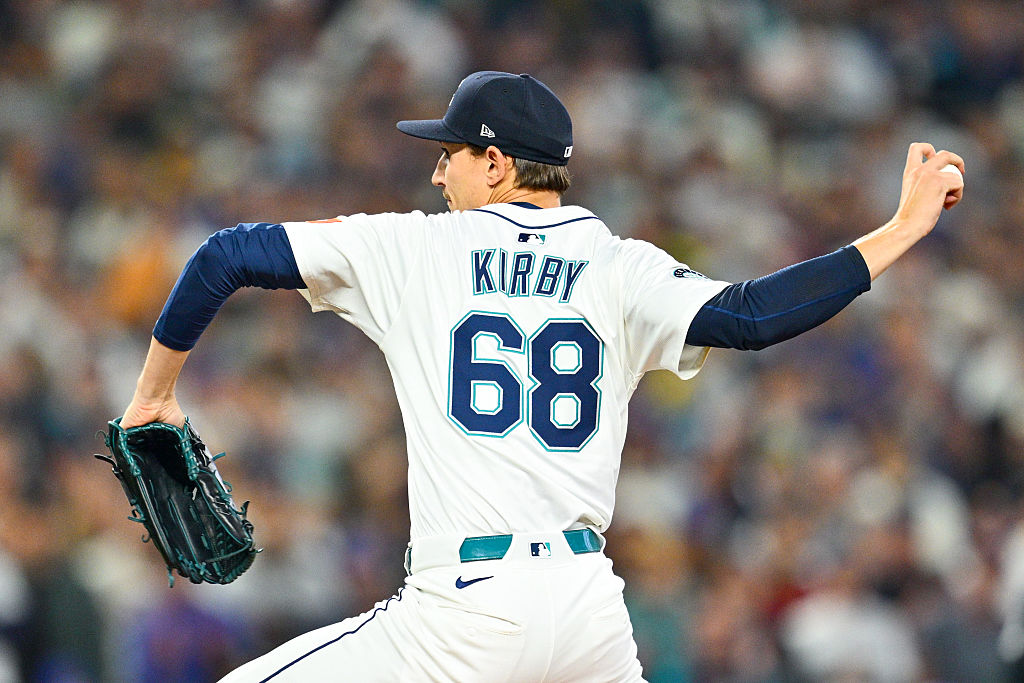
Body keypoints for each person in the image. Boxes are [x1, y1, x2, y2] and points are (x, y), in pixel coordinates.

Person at [117, 71, 964, 681]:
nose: (436, 170)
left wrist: (153, 394)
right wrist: (898, 229)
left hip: (464, 613)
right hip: (589, 612)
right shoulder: (620, 267)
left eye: (449, 152)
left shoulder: (415, 246)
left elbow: (225, 255)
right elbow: (754, 314)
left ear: (496, 163)